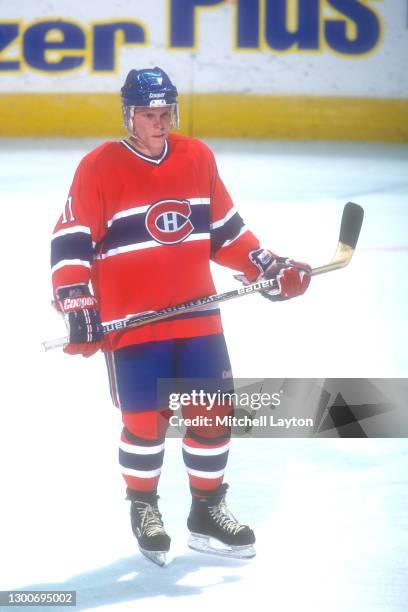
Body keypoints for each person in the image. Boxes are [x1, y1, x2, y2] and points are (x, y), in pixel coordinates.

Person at [50, 66, 311, 566]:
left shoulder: (197, 157)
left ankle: (207, 511)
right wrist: (77, 302)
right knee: (146, 422)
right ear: (129, 115)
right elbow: (69, 243)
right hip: (134, 322)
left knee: (213, 414)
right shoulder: (99, 167)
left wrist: (267, 266)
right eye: (149, 114)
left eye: (166, 112)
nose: (160, 122)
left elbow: (227, 233)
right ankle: (144, 507)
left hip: (197, 318)